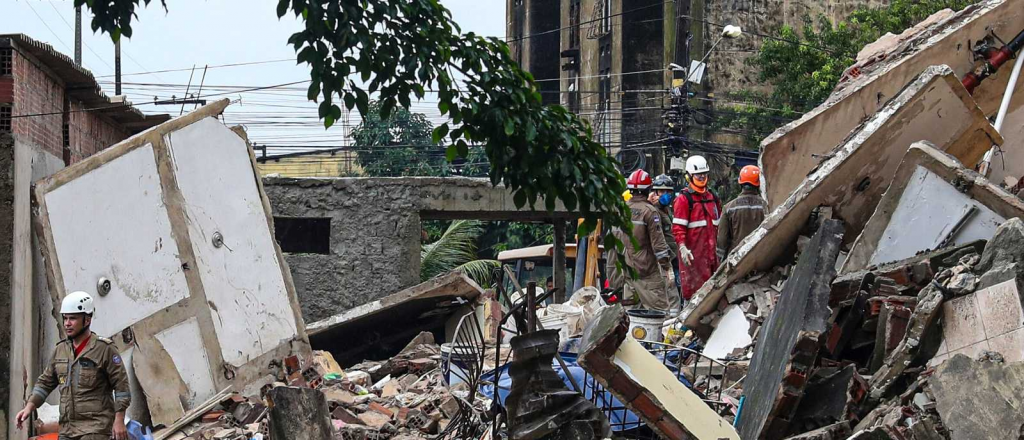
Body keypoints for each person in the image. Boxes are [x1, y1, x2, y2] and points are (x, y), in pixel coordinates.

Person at [16, 291, 130, 440]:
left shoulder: (104, 349)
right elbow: (45, 383)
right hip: (67, 429)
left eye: (73, 319)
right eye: (65, 318)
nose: (67, 323)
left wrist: (119, 419)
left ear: (87, 320)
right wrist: (29, 406)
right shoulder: (60, 350)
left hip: (96, 428)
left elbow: (122, 388)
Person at [622, 169, 679, 312]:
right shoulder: (650, 211)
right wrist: (666, 267)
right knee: (660, 312)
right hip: (648, 269)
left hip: (628, 269)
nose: (665, 195)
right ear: (650, 190)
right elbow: (659, 244)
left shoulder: (624, 209)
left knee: (631, 314)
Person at [672, 155, 722, 303]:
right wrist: (682, 247)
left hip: (713, 257)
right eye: (698, 174)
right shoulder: (683, 199)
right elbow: (678, 228)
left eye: (704, 174)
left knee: (714, 294)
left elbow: (720, 225)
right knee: (694, 297)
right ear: (689, 176)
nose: (702, 177)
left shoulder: (713, 197)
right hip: (693, 258)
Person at [717, 165, 768, 262]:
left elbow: (722, 239)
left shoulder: (728, 208)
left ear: (740, 183)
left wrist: (721, 259)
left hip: (736, 259)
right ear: (759, 183)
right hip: (760, 258)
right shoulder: (766, 206)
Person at [649, 174, 681, 301]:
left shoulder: (667, 210)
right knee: (670, 296)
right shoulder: (653, 212)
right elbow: (658, 239)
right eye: (662, 191)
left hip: (675, 257)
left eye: (668, 191)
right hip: (666, 260)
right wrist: (668, 263)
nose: (665, 194)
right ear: (655, 192)